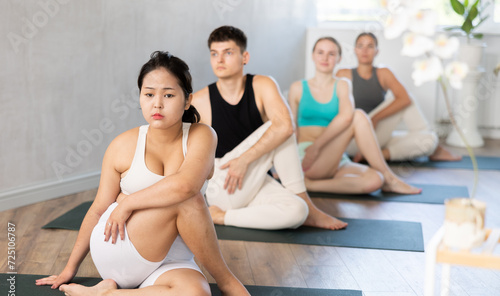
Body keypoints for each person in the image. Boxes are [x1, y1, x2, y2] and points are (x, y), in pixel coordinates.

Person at [36, 51, 260, 296]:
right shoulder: (122, 145)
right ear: (140, 97)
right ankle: (227, 281)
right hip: (119, 245)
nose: (157, 104)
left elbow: (187, 183)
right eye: (149, 94)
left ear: (188, 100)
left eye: (168, 95)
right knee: (184, 199)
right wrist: (69, 269)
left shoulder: (202, 135)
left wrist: (128, 201)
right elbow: (99, 209)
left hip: (173, 258)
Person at [192, 25, 347, 230]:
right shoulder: (200, 100)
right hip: (223, 184)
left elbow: (285, 128)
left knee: (298, 211)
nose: (219, 60)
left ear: (244, 57)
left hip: (252, 181)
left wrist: (244, 160)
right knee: (282, 126)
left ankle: (222, 217)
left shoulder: (262, 85)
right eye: (214, 54)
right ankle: (306, 200)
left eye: (228, 53)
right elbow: (187, 155)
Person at [288, 37, 421, 195]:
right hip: (308, 157)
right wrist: (287, 169)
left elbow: (346, 117)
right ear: (313, 56)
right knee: (358, 115)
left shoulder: (343, 84)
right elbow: (290, 131)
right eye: (320, 52)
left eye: (331, 54)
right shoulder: (297, 88)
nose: (325, 58)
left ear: (339, 59)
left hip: (335, 158)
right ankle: (391, 179)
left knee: (376, 180)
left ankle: (310, 185)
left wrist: (318, 147)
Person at [336, 32, 461, 162]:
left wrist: (376, 118)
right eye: (360, 46)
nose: (365, 50)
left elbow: (405, 99)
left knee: (429, 140)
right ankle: (435, 150)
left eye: (370, 46)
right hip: (354, 137)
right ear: (355, 50)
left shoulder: (383, 73)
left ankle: (376, 155)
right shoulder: (343, 74)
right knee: (409, 100)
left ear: (377, 51)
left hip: (377, 134)